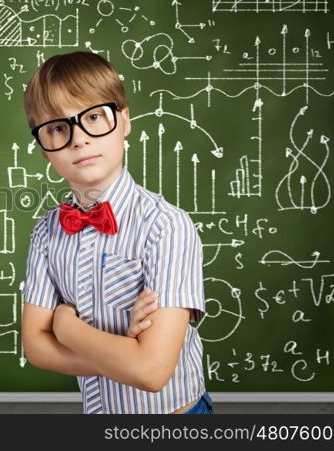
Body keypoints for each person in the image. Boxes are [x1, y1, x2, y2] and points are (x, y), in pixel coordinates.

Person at [21, 51, 212, 414]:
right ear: (44, 149)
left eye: (94, 117)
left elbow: (153, 372)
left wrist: (66, 328)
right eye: (58, 128)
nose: (78, 139)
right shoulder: (46, 234)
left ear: (124, 121)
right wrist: (124, 351)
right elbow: (35, 348)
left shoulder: (166, 226)